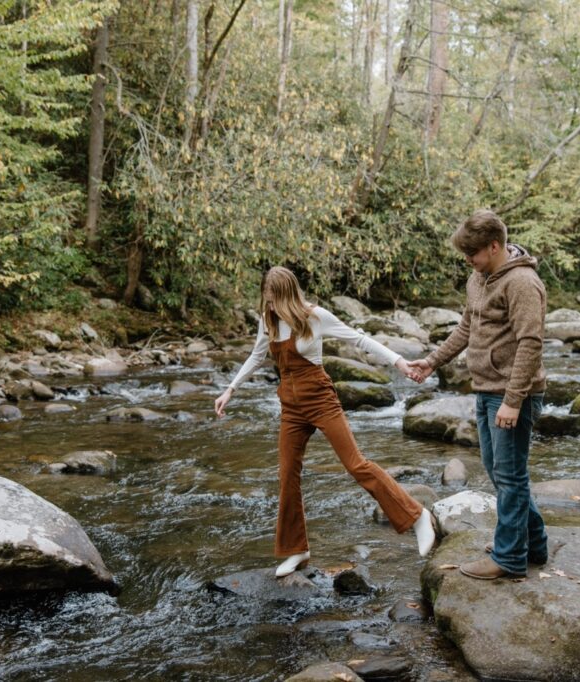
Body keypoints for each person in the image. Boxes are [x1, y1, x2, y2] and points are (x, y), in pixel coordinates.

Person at [215, 266, 435, 578]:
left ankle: (417, 516)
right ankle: (297, 549)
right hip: (290, 407)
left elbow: (359, 340)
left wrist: (398, 362)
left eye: (275, 300)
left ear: (288, 296)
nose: (271, 305)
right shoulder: (269, 319)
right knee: (287, 474)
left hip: (320, 400)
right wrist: (230, 389)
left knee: (356, 464)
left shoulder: (315, 316)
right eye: (267, 299)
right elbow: (256, 356)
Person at [407, 210, 548, 581]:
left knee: (510, 476)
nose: (468, 261)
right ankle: (534, 544)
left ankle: (510, 558)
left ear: (495, 246)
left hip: (512, 393)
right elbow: (467, 327)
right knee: (501, 472)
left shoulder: (521, 283)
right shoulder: (479, 277)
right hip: (486, 389)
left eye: (473, 254)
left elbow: (530, 344)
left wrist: (514, 401)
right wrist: (432, 362)